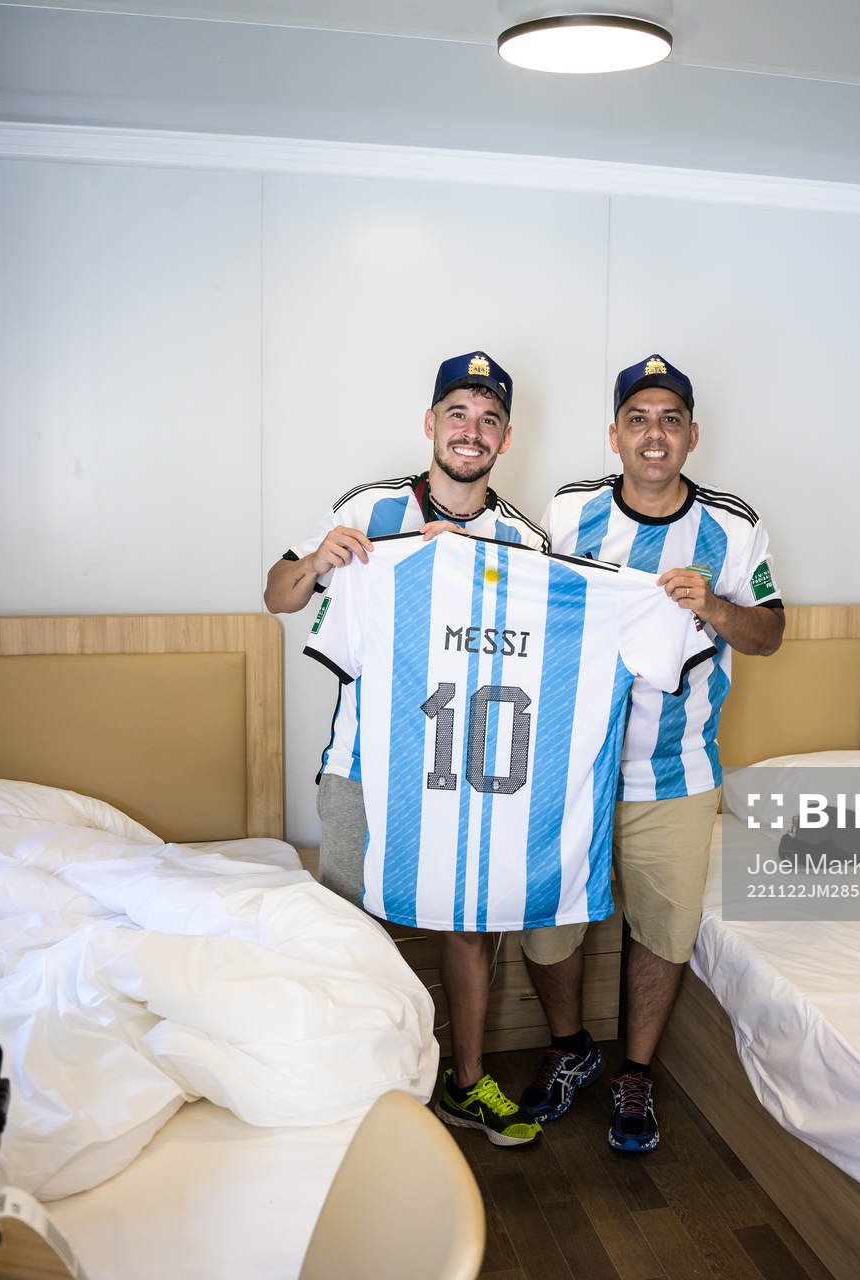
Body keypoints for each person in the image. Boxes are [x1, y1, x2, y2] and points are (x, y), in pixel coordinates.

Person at [264, 350, 546, 1147]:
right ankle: (355, 1092)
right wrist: (320, 558)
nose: (472, 430)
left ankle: (466, 1081)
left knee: (468, 922)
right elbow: (278, 594)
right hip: (364, 759)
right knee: (350, 925)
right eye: (458, 414)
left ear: (506, 438)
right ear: (431, 424)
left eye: (489, 419)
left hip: (466, 766)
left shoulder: (525, 537)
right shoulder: (370, 506)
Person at [517, 354, 784, 1153]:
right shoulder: (569, 513)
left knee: (664, 928)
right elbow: (524, 600)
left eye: (670, 419)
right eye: (639, 420)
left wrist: (718, 610)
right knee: (547, 922)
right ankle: (570, 1048)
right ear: (615, 435)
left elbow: (770, 632)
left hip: (677, 772)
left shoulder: (732, 527)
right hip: (568, 768)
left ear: (692, 435)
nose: (654, 434)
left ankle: (635, 1069)